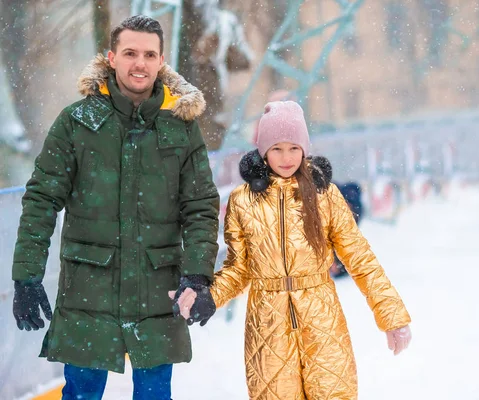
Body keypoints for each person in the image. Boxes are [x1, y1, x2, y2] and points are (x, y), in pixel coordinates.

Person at [11, 15, 219, 399]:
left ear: (160, 61)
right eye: (130, 53)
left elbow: (201, 206)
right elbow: (41, 198)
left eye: (149, 54)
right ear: (111, 58)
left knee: (155, 394)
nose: (139, 63)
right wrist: (26, 276)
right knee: (81, 394)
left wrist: (198, 276)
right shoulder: (77, 122)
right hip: (88, 289)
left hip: (158, 291)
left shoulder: (181, 126)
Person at [174, 101, 412, 399]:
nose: (286, 158)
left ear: (304, 149)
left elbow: (361, 259)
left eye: (293, 148)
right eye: (276, 149)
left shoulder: (325, 194)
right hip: (268, 326)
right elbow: (239, 268)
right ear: (263, 151)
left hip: (322, 319)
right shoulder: (243, 201)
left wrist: (392, 316)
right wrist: (209, 296)